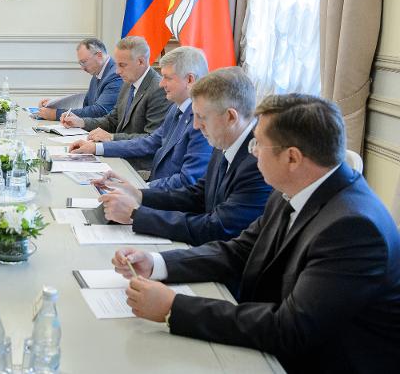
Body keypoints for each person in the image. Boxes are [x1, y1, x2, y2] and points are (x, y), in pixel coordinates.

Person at [112, 94, 400, 373]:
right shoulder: (292, 190)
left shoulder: (353, 229)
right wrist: (157, 263)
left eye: (258, 144)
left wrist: (174, 308)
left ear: (292, 158)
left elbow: (291, 328)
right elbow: (238, 251)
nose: (252, 152)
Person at [94, 67, 272, 245]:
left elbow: (218, 228)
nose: (195, 126)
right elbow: (198, 195)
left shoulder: (259, 162)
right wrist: (139, 195)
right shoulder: (225, 138)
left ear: (230, 117)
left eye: (202, 117)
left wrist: (136, 215)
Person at [70, 46, 211, 190]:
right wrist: (97, 148)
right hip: (155, 187)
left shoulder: (202, 123)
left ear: (190, 79)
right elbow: (150, 142)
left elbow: (187, 181)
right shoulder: (177, 108)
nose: (161, 84)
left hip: (166, 196)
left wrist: (139, 189)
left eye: (167, 78)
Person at [61, 36, 170, 170]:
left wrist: (112, 138)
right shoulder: (128, 83)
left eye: (122, 65)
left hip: (139, 167)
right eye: (117, 64)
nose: (117, 71)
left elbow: (151, 140)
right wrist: (82, 122)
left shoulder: (158, 89)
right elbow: (112, 120)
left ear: (141, 61)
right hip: (119, 155)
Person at [36, 38, 122, 121]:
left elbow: (100, 111)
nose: (82, 68)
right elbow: (86, 104)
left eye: (84, 62)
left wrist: (56, 114)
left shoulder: (115, 75)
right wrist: (54, 104)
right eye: (80, 63)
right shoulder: (98, 72)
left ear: (99, 55)